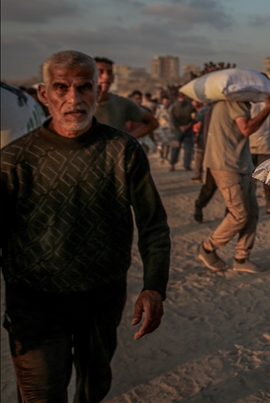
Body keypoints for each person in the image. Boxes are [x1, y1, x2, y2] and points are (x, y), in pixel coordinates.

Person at [1, 50, 171, 402]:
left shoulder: (122, 151)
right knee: (40, 394)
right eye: (61, 88)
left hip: (101, 299)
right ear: (43, 94)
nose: (73, 99)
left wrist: (154, 287)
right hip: (33, 304)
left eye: (83, 87)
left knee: (93, 386)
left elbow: (153, 224)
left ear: (98, 91)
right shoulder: (14, 160)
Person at [197, 91, 270, 274]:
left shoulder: (231, 103)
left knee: (251, 212)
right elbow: (246, 129)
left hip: (240, 164)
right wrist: (268, 109)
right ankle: (207, 248)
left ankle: (242, 258)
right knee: (239, 214)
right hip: (227, 165)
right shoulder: (234, 102)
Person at [93, 57, 158, 138]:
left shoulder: (121, 103)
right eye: (100, 72)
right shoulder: (82, 104)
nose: (106, 77)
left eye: (109, 72)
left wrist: (127, 139)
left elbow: (153, 123)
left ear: (113, 78)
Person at [249, 98, 270, 214]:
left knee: (250, 179)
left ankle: (251, 205)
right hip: (266, 146)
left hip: (249, 146)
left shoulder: (248, 105)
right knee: (266, 179)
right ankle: (269, 205)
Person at [168, 92, 197, 172]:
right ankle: (186, 166)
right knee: (187, 148)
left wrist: (179, 126)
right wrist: (188, 125)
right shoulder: (190, 106)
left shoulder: (174, 106)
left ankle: (172, 165)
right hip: (187, 129)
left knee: (175, 148)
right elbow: (194, 117)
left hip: (178, 130)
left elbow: (172, 119)